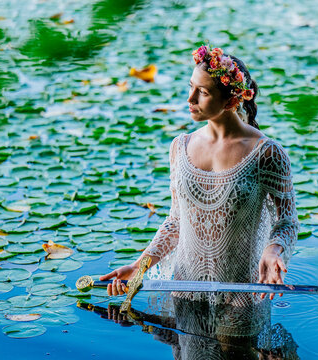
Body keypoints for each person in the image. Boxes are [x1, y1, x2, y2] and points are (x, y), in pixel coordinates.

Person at [100, 43, 300, 341]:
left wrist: (274, 249)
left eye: (203, 93)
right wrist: (138, 266)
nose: (190, 99)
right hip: (184, 291)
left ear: (232, 100)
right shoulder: (180, 147)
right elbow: (176, 221)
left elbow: (287, 221)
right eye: (191, 87)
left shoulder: (267, 153)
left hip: (240, 296)